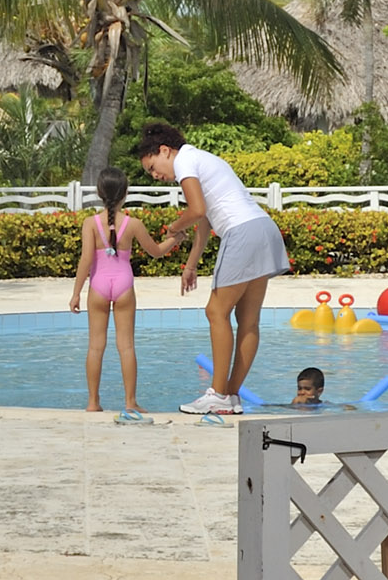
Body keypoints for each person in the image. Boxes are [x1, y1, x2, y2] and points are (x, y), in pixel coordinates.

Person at [136, 120, 290, 414]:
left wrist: (173, 227)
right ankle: (231, 397)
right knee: (248, 320)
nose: (155, 175)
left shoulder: (185, 162)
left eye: (152, 167)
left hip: (242, 232)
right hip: (263, 229)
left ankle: (218, 394)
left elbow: (196, 212)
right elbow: (204, 223)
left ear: (165, 151)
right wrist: (191, 265)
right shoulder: (200, 159)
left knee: (215, 311)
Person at [67, 166, 160, 413]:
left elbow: (86, 260)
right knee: (126, 346)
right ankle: (130, 402)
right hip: (124, 286)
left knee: (95, 346)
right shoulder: (133, 224)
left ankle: (92, 402)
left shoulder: (90, 223)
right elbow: (156, 251)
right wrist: (176, 239)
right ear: (125, 193)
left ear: (99, 192)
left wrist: (76, 292)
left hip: (97, 286)